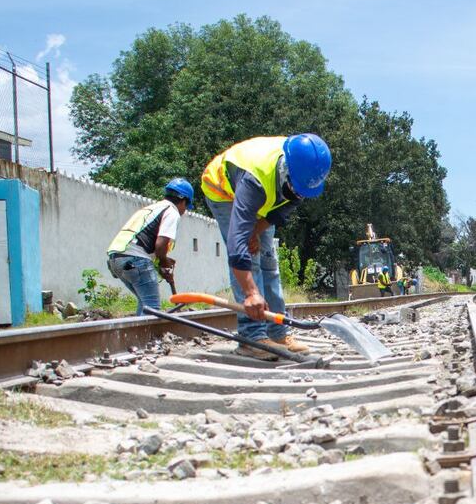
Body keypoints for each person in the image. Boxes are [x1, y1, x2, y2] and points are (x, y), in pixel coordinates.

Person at [202, 134, 332, 361]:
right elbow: (237, 242)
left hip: (263, 200)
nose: (299, 195)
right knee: (250, 260)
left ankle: (277, 333)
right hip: (223, 191)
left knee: (269, 263)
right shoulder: (255, 180)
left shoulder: (304, 175)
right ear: (286, 171)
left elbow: (279, 212)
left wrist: (257, 229)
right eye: (296, 189)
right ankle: (251, 337)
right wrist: (252, 293)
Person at [107, 178, 193, 316]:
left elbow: (147, 244)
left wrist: (163, 263)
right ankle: (147, 337)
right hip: (135, 259)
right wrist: (165, 263)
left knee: (145, 303)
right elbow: (160, 246)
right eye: (186, 208)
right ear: (183, 201)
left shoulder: (152, 208)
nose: (184, 212)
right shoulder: (172, 211)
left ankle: (138, 336)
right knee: (152, 307)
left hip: (116, 258)